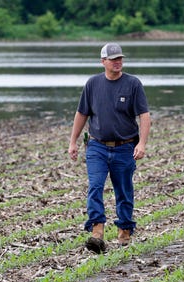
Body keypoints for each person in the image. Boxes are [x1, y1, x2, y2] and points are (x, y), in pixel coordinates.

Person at [68, 42, 151, 253]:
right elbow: (82, 114)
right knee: (95, 185)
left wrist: (141, 143)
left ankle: (124, 230)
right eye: (113, 59)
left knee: (123, 190)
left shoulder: (133, 84)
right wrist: (73, 141)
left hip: (124, 147)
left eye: (120, 59)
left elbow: (144, 115)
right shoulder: (92, 84)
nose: (118, 62)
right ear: (103, 61)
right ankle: (97, 231)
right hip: (97, 146)